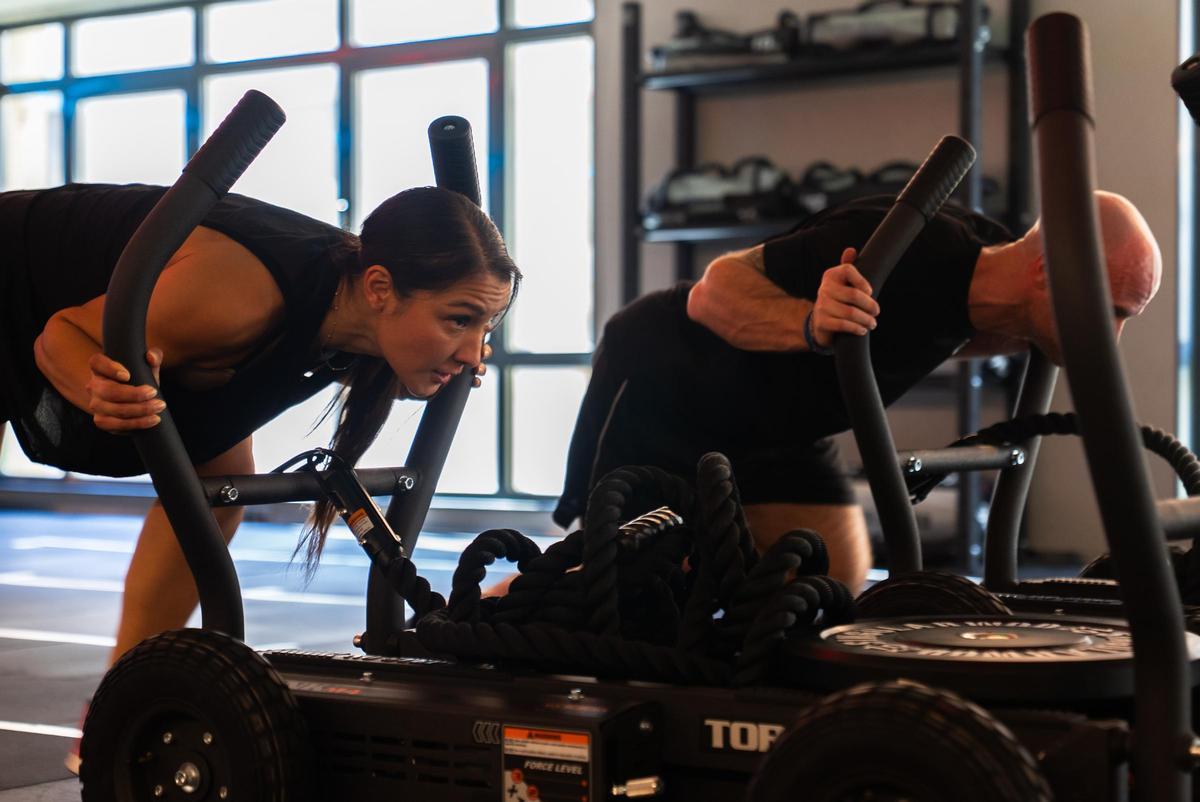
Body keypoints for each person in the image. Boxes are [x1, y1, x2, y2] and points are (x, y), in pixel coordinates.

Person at [0, 181, 520, 772]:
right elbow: (63, 335)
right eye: (459, 320)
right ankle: (122, 704)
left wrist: (444, 348)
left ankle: (121, 701)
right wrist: (97, 388)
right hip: (16, 268)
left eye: (486, 328)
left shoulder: (351, 317)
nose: (477, 353)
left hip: (150, 322)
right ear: (379, 288)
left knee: (217, 495)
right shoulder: (238, 300)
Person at [557, 191, 1160, 594]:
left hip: (789, 426)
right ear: (1047, 271)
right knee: (615, 592)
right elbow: (712, 291)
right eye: (1109, 310)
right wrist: (809, 322)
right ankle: (479, 631)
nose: (1113, 336)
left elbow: (939, 330)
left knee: (837, 588)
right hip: (673, 388)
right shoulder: (901, 245)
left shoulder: (1006, 296)